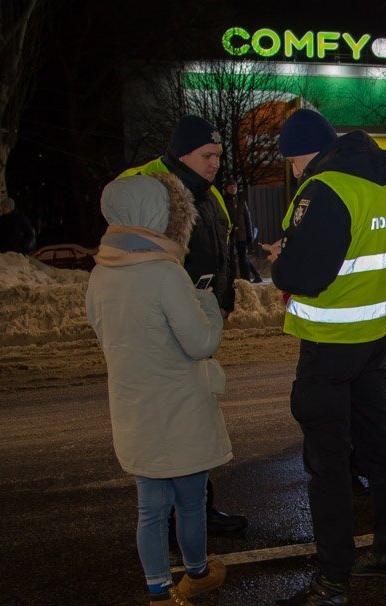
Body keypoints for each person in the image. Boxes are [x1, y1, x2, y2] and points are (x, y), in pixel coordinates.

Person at [263, 108, 386, 606]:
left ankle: (332, 583)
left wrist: (279, 259)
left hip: (330, 341)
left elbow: (304, 274)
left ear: (302, 153)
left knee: (326, 466)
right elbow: (361, 251)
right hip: (373, 337)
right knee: (375, 443)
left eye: (293, 162)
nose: (295, 171)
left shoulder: (324, 189)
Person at [85, 172, 232, 606]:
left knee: (151, 506)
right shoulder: (166, 273)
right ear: (156, 215)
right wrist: (208, 305)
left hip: (132, 407)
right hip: (178, 408)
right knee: (189, 499)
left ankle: (166, 588)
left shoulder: (101, 274)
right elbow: (200, 342)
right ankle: (186, 583)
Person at [118, 115, 247, 537]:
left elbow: (221, 249)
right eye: (207, 156)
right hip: (169, 319)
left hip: (199, 314)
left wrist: (222, 302)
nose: (214, 164)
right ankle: (176, 517)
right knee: (175, 419)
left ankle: (196, 509)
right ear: (181, 153)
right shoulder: (154, 190)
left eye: (218, 156)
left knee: (196, 415)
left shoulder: (207, 194)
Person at [224, 181, 262, 283]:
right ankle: (233, 280)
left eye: (235, 186)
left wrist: (249, 235)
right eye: (231, 186)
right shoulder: (224, 201)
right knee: (231, 258)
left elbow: (247, 218)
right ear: (227, 188)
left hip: (241, 235)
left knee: (243, 258)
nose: (233, 188)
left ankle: (246, 280)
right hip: (230, 235)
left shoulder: (241, 201)